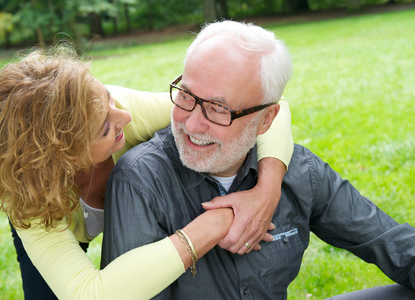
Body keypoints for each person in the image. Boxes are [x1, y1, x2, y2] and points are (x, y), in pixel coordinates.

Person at [101, 20, 415, 299]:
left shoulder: (300, 172)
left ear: (266, 120)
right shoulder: (140, 180)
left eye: (218, 109)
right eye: (186, 96)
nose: (192, 125)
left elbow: (393, 244)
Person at [0, 44, 294, 299]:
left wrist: (266, 190)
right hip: (53, 211)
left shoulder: (121, 109)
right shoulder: (31, 202)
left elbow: (269, 107)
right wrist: (216, 222)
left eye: (108, 97)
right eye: (104, 128)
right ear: (63, 156)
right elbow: (92, 294)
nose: (122, 117)